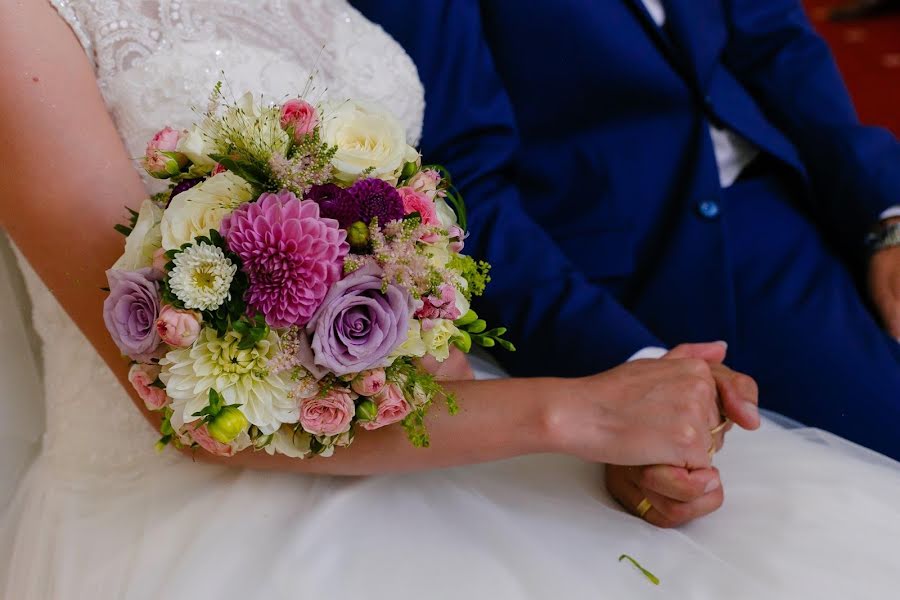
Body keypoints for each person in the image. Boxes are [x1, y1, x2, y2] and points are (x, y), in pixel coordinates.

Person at [1, 2, 900, 599]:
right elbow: (171, 390)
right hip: (214, 500)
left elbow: (425, 219)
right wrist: (571, 411)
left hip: (438, 409)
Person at [351, 0, 900, 466]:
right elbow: (460, 183)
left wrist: (885, 216)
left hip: (806, 183)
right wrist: (631, 367)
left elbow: (778, 42)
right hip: (655, 263)